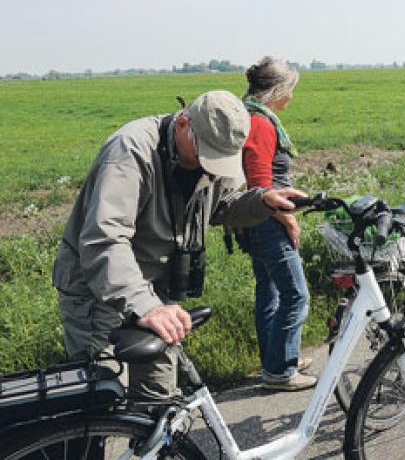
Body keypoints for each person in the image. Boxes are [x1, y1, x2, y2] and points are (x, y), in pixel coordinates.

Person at [53, 91, 304, 400]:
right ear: (184, 123)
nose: (208, 166)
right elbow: (105, 238)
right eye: (205, 154)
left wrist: (261, 201)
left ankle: (150, 446)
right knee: (100, 399)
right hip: (100, 292)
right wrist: (146, 307)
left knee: (158, 399)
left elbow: (220, 206)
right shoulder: (130, 150)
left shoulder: (209, 155)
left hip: (157, 292)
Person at [240, 57, 314, 391]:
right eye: (291, 90)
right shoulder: (261, 123)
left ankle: (278, 357)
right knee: (295, 294)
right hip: (267, 219)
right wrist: (288, 220)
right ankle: (281, 371)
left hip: (254, 218)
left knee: (268, 291)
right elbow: (260, 184)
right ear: (278, 89)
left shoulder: (250, 115)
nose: (293, 97)